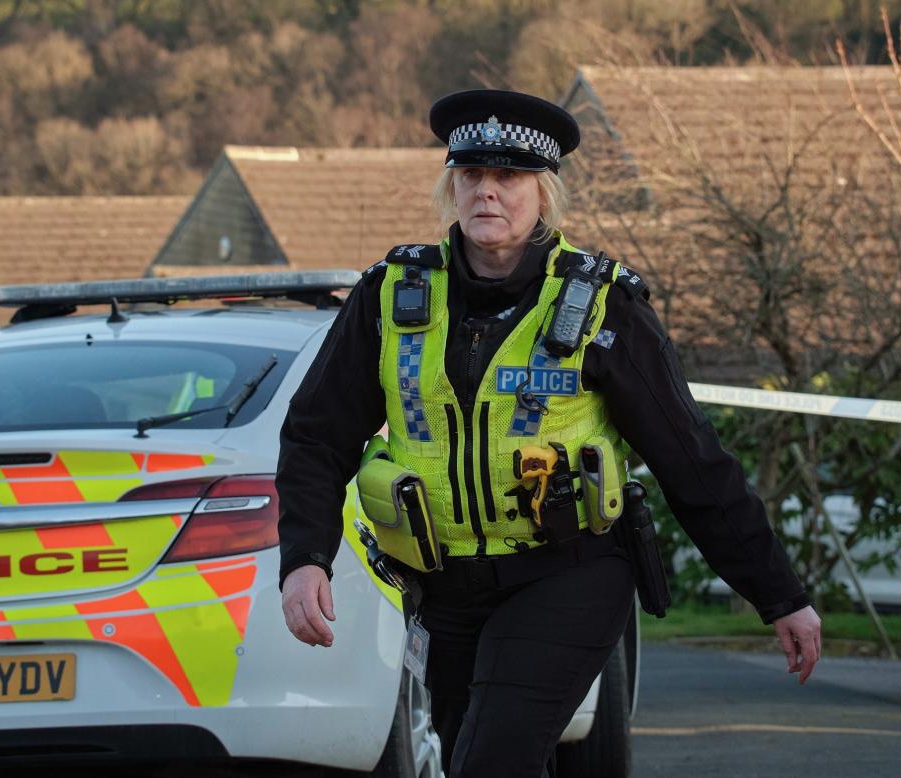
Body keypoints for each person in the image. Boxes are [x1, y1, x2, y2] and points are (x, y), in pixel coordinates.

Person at [277, 88, 822, 778]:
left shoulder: (601, 305)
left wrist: (779, 596)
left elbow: (693, 464)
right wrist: (303, 558)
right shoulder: (390, 295)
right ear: (452, 185)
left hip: (570, 572)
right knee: (473, 752)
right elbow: (315, 437)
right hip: (443, 585)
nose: (487, 193)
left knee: (491, 762)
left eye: (508, 177)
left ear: (543, 192)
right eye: (471, 175)